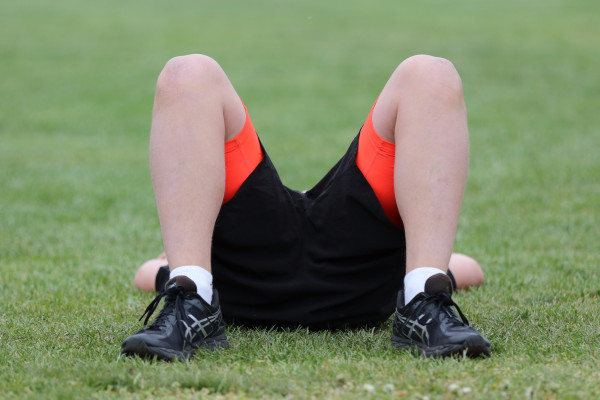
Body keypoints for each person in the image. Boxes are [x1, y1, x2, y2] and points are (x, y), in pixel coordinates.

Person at [120, 54, 491, 361]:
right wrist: (433, 262)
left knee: (187, 72)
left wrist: (171, 262)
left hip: (243, 274)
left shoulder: (202, 258)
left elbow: (143, 273)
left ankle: (190, 291)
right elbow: (470, 267)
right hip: (361, 275)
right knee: (431, 73)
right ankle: (425, 293)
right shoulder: (396, 263)